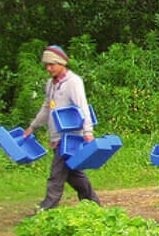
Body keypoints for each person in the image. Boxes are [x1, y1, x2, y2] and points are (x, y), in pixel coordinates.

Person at [23, 45, 102, 211]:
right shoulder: (50, 84)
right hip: (56, 137)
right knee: (74, 174)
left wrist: (88, 132)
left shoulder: (73, 82)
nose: (48, 68)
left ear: (61, 63)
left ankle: (46, 209)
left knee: (56, 175)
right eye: (46, 65)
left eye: (51, 64)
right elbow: (46, 108)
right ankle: (93, 205)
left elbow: (83, 107)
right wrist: (33, 127)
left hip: (70, 138)